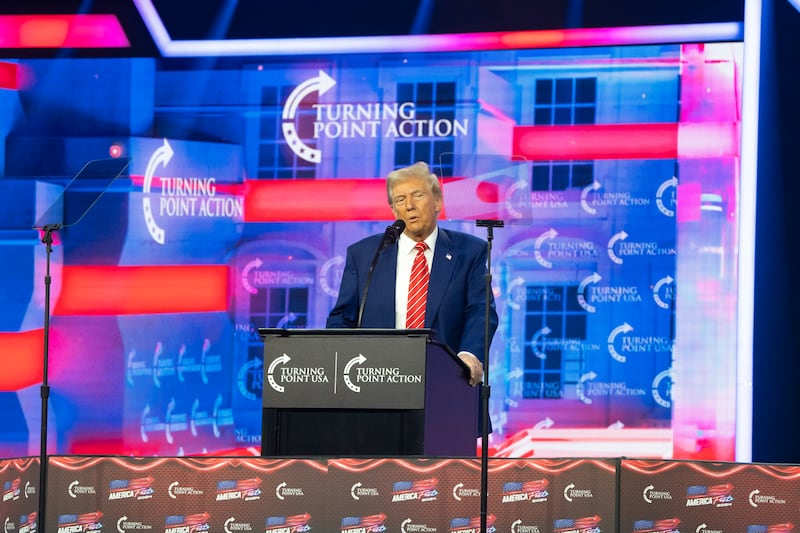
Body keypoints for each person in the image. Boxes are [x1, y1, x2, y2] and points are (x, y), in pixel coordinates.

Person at [326, 161, 499, 388]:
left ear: (437, 201)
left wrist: (469, 355)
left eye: (417, 195)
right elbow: (341, 320)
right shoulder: (365, 255)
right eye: (400, 200)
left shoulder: (469, 252)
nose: (409, 206)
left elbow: (481, 312)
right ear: (393, 210)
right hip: (378, 385)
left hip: (446, 384)